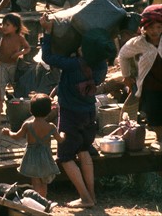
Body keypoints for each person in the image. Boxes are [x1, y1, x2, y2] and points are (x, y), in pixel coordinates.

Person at [40, 14, 117, 208]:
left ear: (84, 51)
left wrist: (47, 32)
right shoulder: (101, 66)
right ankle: (91, 195)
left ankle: (84, 197)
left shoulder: (72, 64)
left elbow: (47, 57)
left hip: (70, 115)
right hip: (89, 113)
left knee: (65, 156)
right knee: (83, 150)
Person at [2, 93, 65, 198]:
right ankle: (43, 200)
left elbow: (17, 136)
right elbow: (60, 140)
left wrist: (8, 132)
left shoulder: (28, 125)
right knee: (44, 181)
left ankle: (36, 201)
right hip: (45, 156)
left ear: (31, 110)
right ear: (49, 111)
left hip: (31, 156)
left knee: (35, 181)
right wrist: (63, 134)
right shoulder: (51, 127)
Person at [119, 4, 162, 147]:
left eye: (158, 27)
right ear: (145, 28)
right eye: (151, 28)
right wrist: (126, 76)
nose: (155, 31)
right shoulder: (139, 43)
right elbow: (123, 55)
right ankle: (159, 138)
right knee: (153, 113)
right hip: (151, 84)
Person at [0, 13, 31, 96]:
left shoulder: (19, 37)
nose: (4, 27)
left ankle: (15, 100)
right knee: (1, 84)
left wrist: (18, 53)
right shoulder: (4, 34)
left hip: (14, 65)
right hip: (2, 64)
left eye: (7, 25)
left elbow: (27, 48)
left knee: (15, 83)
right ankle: (1, 101)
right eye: (3, 24)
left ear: (15, 27)